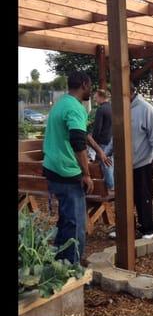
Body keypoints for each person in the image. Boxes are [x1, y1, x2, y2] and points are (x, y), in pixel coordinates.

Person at [42, 71, 94, 264]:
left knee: (65, 221)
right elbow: (78, 142)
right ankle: (72, 270)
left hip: (52, 169)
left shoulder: (60, 104)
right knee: (76, 225)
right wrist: (86, 174)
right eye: (89, 85)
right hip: (67, 172)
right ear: (83, 85)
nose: (91, 89)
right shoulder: (75, 108)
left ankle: (58, 262)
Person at [110, 83, 153, 240]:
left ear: (131, 92)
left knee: (142, 197)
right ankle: (124, 228)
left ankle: (147, 228)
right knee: (123, 198)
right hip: (122, 164)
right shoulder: (119, 108)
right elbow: (115, 136)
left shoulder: (146, 109)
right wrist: (104, 153)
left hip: (142, 162)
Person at [89, 89, 114, 192]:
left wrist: (92, 140)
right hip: (111, 139)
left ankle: (110, 186)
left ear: (101, 97)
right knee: (110, 163)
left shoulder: (101, 109)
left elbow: (97, 128)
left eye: (96, 97)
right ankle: (111, 184)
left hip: (102, 141)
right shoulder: (112, 108)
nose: (95, 98)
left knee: (105, 164)